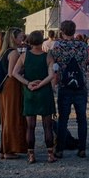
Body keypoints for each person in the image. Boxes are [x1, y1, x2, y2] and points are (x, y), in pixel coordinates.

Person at [13, 30, 56, 164]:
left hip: (29, 92)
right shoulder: (48, 56)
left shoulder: (24, 56)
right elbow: (51, 76)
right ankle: (50, 154)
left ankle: (31, 155)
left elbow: (14, 73)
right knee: (47, 126)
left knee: (30, 126)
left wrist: (28, 83)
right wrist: (40, 84)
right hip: (44, 92)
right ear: (42, 41)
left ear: (29, 41)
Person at [52, 20, 88, 159]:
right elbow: (85, 61)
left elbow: (53, 63)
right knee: (82, 119)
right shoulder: (82, 45)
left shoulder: (58, 46)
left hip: (64, 85)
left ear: (62, 31)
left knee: (63, 119)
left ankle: (60, 149)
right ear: (74, 30)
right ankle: (82, 148)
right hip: (80, 85)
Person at [0, 28, 28, 159]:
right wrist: (23, 70)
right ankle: (9, 149)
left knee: (6, 116)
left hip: (5, 87)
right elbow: (11, 73)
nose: (23, 38)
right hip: (12, 86)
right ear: (14, 38)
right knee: (12, 116)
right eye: (20, 36)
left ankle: (3, 148)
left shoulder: (4, 52)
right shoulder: (14, 52)